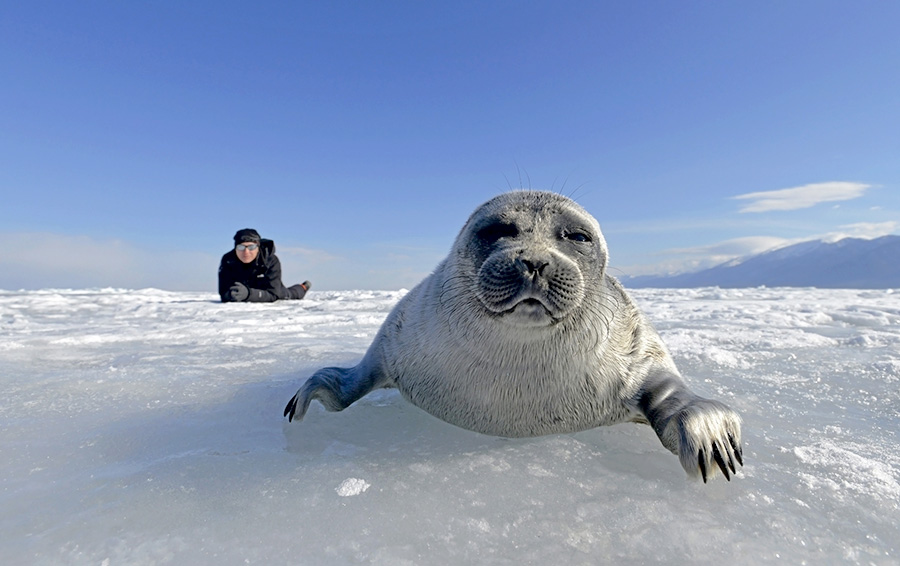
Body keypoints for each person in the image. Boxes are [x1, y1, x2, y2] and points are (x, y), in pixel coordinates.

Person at [218, 228, 311, 303]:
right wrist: (230, 294)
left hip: (266, 287)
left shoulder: (270, 260)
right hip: (243, 289)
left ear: (258, 248)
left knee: (288, 294)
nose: (246, 251)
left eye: (251, 247)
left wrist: (248, 294)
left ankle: (303, 287)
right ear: (235, 248)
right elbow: (223, 292)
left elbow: (274, 295)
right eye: (241, 247)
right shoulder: (228, 260)